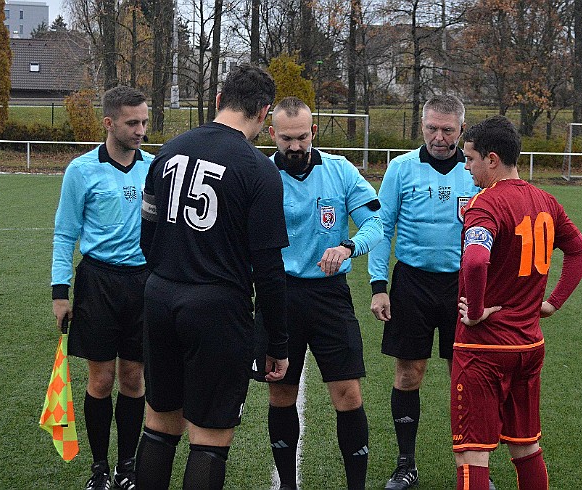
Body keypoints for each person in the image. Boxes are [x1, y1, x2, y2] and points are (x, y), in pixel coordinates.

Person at [134, 64, 290, 490]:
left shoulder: (169, 150)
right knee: (209, 437)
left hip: (161, 295)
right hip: (217, 308)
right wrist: (277, 341)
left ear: (219, 100)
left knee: (160, 424)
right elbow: (270, 270)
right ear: (264, 111)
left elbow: (147, 235)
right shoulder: (258, 169)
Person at [453, 115, 582, 489]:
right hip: (529, 344)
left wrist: (478, 309)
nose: (466, 167)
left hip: (484, 347)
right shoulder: (546, 200)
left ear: (492, 159)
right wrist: (553, 303)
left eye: (470, 159)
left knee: (472, 452)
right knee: (526, 447)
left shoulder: (485, 205)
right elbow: (581, 251)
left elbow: (476, 259)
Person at [255, 96, 383, 490]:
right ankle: (288, 485)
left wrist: (347, 246)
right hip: (278, 296)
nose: (295, 147)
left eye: (302, 138)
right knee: (281, 393)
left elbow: (377, 225)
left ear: (314, 132)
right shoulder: (259, 173)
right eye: (286, 139)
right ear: (272, 133)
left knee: (347, 394)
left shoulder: (340, 171)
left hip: (330, 297)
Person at [367, 95, 480, 489]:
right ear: (422, 125)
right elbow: (383, 228)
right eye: (432, 127)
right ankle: (405, 464)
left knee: (464, 377)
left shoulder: (476, 171)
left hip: (463, 286)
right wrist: (379, 287)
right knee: (408, 373)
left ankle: (470, 470)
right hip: (412, 283)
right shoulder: (400, 168)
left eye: (448, 129)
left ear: (461, 130)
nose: (438, 136)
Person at [51, 85, 153, 490]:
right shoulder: (81, 170)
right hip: (98, 283)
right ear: (109, 123)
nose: (141, 130)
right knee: (100, 380)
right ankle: (100, 470)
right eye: (132, 122)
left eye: (144, 121)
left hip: (144, 284)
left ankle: (128, 467)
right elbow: (65, 233)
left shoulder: (156, 168)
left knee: (133, 378)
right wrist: (61, 292)